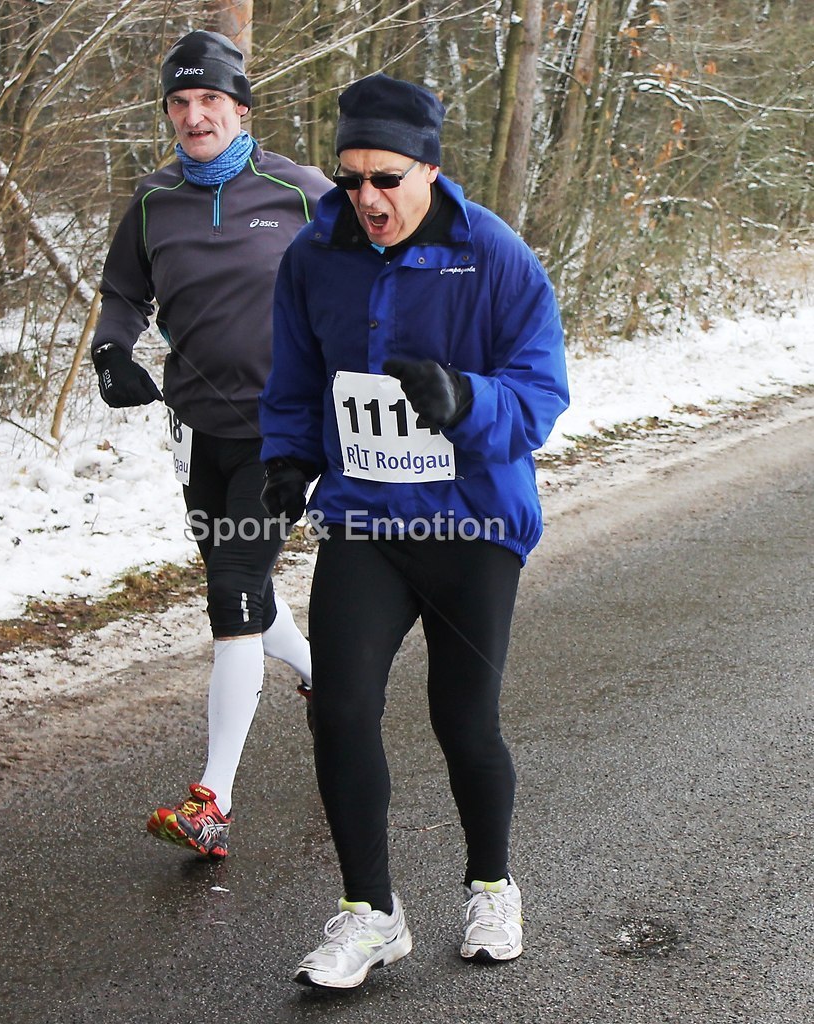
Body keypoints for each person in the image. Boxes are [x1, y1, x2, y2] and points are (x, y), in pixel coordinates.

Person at [259, 73, 569, 988]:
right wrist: (287, 461)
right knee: (340, 706)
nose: (367, 198)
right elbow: (296, 378)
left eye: (385, 179)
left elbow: (541, 395)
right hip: (367, 521)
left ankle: (491, 885)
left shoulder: (495, 256)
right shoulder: (314, 257)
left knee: (462, 720)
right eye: (350, 178)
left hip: (474, 524)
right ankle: (371, 913)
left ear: (429, 169)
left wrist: (465, 398)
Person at [90, 30, 331, 859]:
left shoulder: (300, 191)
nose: (195, 116)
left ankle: (212, 802)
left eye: (210, 101)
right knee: (245, 586)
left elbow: (367, 270)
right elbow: (122, 292)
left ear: (241, 109)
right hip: (195, 432)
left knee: (231, 595)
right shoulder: (153, 201)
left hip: (280, 433)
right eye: (181, 102)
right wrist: (111, 353)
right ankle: (322, 676)